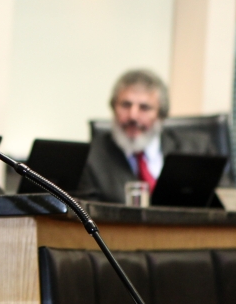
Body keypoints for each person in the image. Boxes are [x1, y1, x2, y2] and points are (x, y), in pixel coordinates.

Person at [78, 69, 218, 204]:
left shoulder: (198, 149)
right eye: (126, 105)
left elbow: (224, 203)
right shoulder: (90, 159)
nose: (133, 116)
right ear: (114, 108)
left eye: (144, 108)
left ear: (161, 115)